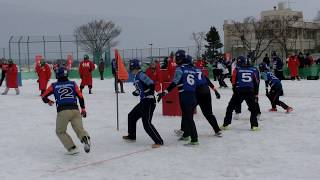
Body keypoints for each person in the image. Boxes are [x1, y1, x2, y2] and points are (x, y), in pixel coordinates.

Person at [41, 67, 91, 155]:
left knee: (60, 131)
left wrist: (48, 101)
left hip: (63, 111)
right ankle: (85, 137)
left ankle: (72, 148)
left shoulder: (54, 85)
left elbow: (44, 96)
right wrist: (83, 108)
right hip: (75, 110)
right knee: (79, 129)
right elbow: (80, 97)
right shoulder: (73, 84)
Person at [157, 50, 199, 146]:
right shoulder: (192, 69)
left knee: (188, 118)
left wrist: (165, 92)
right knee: (186, 115)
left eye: (176, 58)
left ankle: (194, 139)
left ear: (180, 59)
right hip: (193, 94)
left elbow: (174, 82)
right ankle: (186, 135)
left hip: (184, 95)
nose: (175, 59)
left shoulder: (180, 69)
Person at [122, 59, 163, 148]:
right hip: (144, 101)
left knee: (146, 123)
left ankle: (159, 141)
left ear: (134, 67)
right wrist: (137, 92)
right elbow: (142, 87)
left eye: (131, 67)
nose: (130, 68)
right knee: (132, 116)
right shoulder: (137, 76)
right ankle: (131, 136)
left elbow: (151, 84)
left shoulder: (141, 75)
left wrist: (146, 92)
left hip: (149, 101)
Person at [221, 56, 259, 131]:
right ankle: (254, 125)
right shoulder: (252, 70)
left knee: (230, 108)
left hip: (239, 90)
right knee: (253, 109)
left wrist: (235, 91)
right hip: (249, 91)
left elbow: (233, 81)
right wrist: (256, 94)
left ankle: (226, 124)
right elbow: (256, 83)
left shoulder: (237, 70)